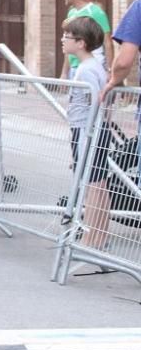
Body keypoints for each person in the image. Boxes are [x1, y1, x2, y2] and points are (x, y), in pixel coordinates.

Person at [62, 16, 110, 250]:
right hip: (92, 131)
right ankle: (97, 237)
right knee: (97, 184)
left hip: (87, 131)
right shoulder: (91, 66)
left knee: (93, 186)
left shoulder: (86, 70)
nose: (63, 40)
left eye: (67, 36)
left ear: (80, 43)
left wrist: (86, 138)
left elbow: (95, 104)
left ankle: (93, 239)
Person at [60, 0, 112, 78]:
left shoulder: (96, 12)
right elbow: (68, 42)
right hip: (74, 68)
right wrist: (64, 72)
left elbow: (108, 43)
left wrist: (109, 70)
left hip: (91, 67)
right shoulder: (71, 12)